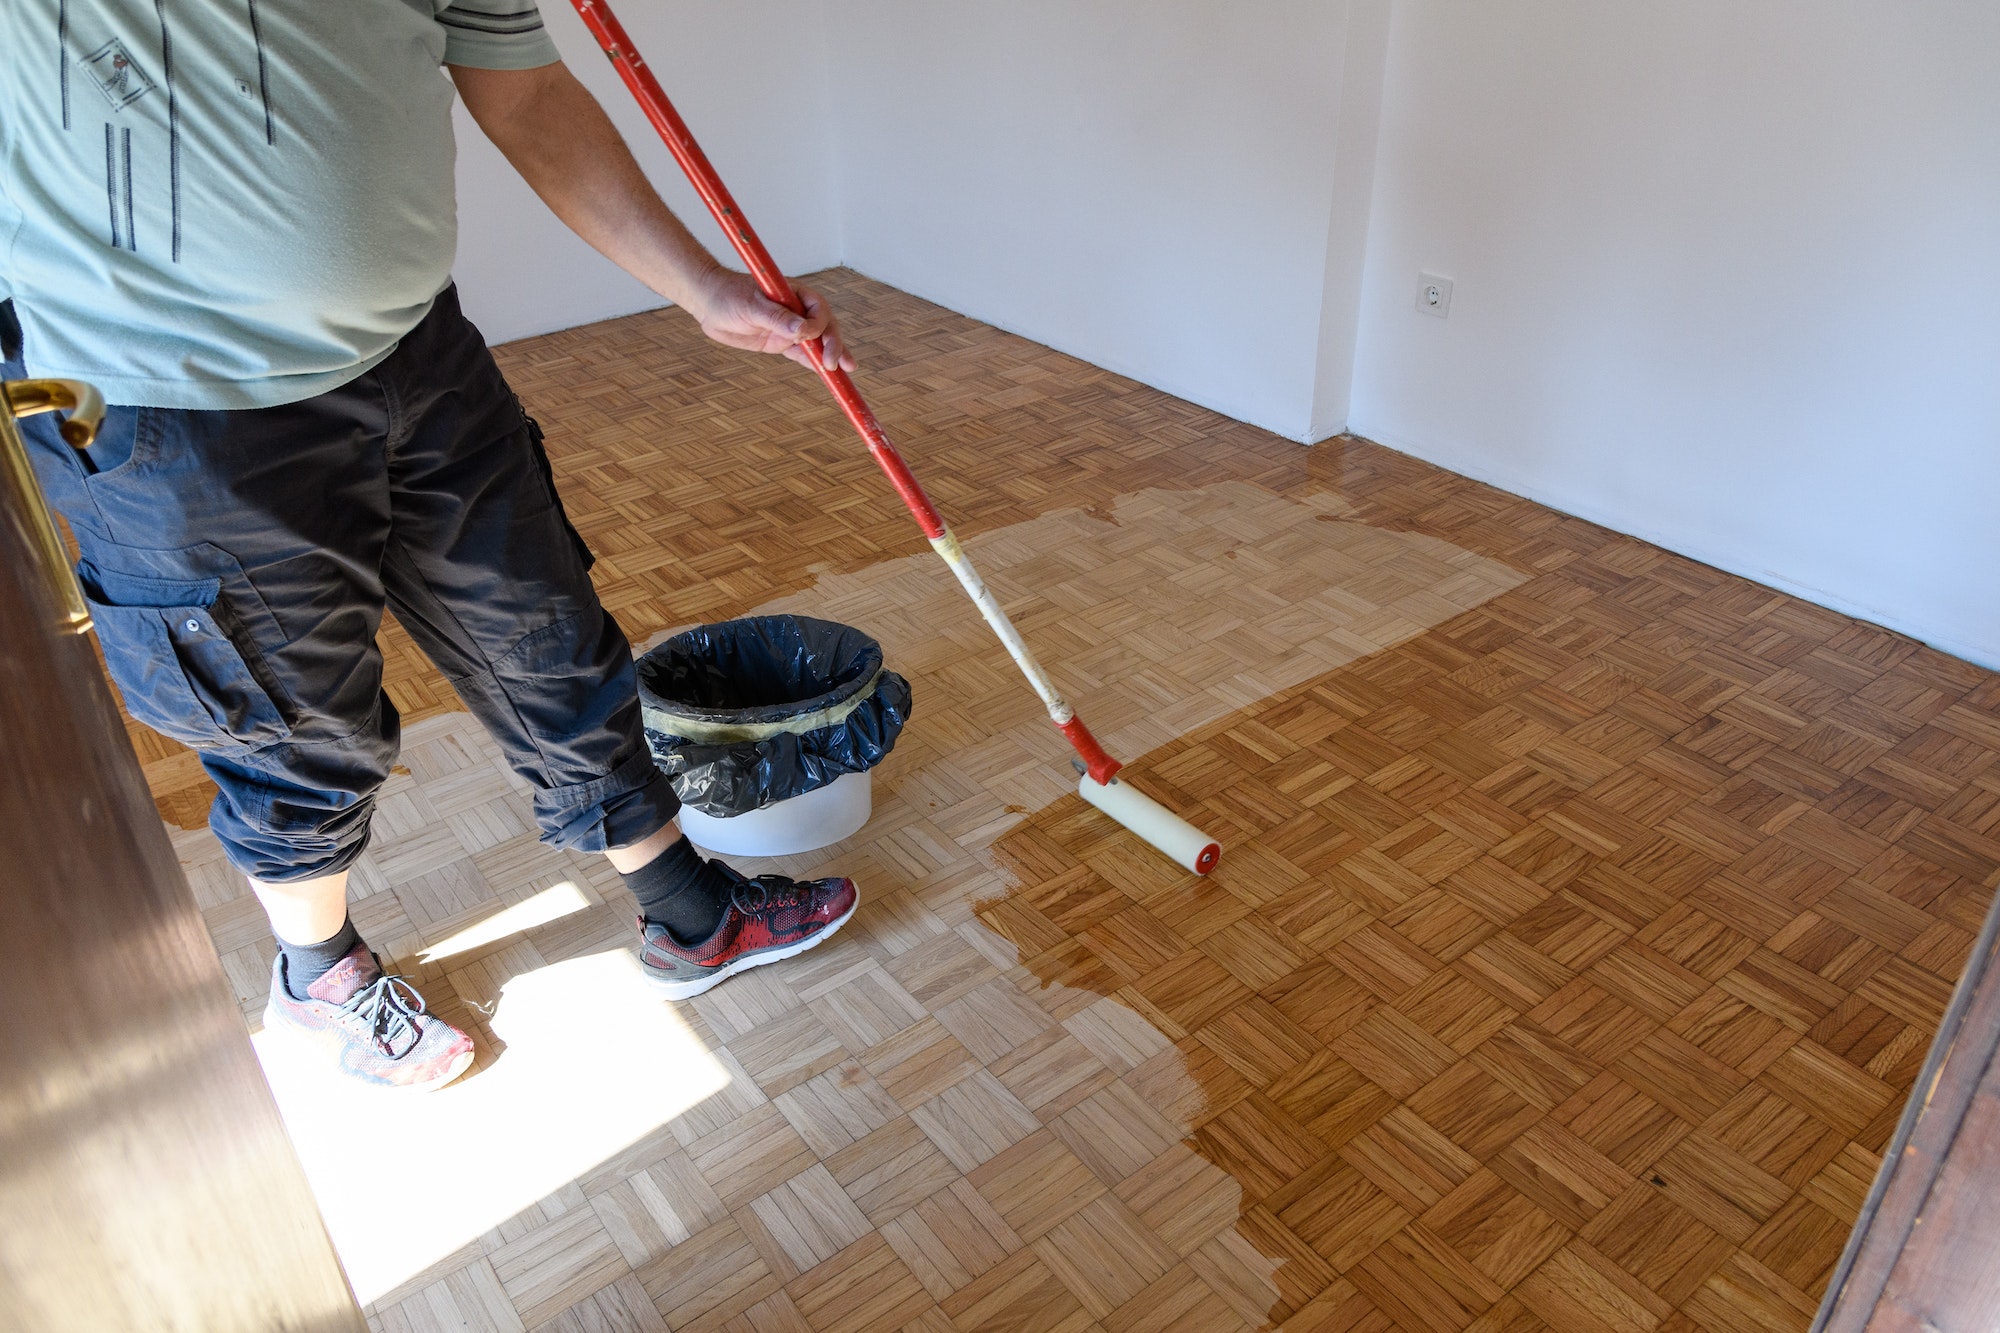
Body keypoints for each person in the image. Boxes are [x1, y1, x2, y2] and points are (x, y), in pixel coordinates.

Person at [1, 0, 860, 1092]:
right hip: (170, 402)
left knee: (545, 641)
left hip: (416, 351)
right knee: (291, 725)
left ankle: (687, 910)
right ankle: (316, 976)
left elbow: (528, 92)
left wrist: (696, 287)